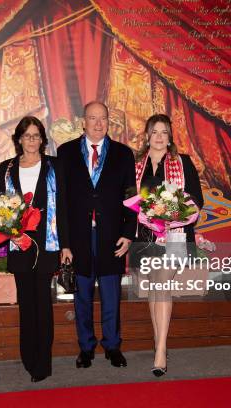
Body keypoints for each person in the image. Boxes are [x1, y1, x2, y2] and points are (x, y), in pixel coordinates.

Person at [57, 101, 136, 369]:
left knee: (112, 295)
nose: (98, 124)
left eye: (103, 118)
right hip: (79, 237)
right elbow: (62, 202)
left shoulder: (123, 154)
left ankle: (113, 346)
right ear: (83, 122)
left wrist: (128, 233)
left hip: (112, 236)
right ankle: (86, 347)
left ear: (108, 121)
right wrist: (64, 243)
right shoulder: (65, 153)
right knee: (82, 297)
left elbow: (131, 197)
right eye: (93, 118)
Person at [0, 116, 72, 383]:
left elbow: (62, 208)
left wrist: (66, 245)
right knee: (26, 304)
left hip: (47, 245)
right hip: (19, 245)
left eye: (36, 135)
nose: (32, 140)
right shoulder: (5, 168)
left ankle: (43, 362)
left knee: (42, 304)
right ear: (19, 139)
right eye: (27, 135)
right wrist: (10, 234)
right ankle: (28, 357)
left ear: (42, 139)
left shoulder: (55, 166)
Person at [134, 114, 204, 377]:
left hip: (174, 235)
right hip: (144, 237)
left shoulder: (182, 162)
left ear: (170, 136)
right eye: (155, 132)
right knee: (154, 288)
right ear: (147, 136)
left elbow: (197, 198)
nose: (160, 137)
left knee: (162, 285)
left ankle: (161, 351)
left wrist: (172, 211)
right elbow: (129, 197)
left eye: (164, 132)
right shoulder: (136, 165)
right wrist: (146, 210)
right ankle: (158, 341)